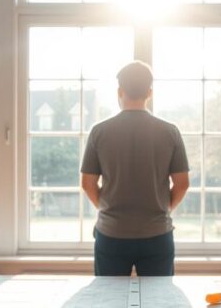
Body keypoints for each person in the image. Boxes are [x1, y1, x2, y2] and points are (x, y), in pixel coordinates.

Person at [80, 61, 190, 276]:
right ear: (149, 92)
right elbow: (182, 184)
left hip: (111, 233)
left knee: (109, 294)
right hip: (157, 233)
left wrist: (106, 208)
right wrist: (164, 208)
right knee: (158, 295)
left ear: (120, 91)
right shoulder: (170, 132)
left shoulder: (99, 131)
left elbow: (88, 183)